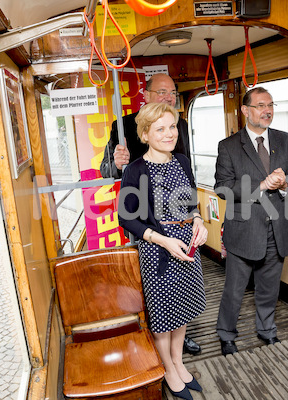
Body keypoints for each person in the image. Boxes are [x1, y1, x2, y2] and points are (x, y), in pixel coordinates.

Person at [100, 73, 201, 356]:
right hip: (151, 232)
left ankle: (178, 353)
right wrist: (115, 164)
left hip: (184, 235)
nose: (168, 96)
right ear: (145, 95)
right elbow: (108, 171)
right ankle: (162, 357)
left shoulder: (179, 134)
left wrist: (198, 219)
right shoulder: (122, 129)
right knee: (158, 303)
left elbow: (189, 191)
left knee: (182, 299)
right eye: (161, 91)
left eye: (172, 91)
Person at [118, 103, 208, 400]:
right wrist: (163, 240)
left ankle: (179, 362)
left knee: (181, 310)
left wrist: (199, 221)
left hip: (188, 247)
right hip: (158, 250)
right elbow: (127, 217)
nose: (169, 134)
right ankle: (168, 369)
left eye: (172, 127)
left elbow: (192, 201)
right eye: (160, 129)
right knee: (162, 315)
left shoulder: (181, 161)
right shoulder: (135, 170)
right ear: (145, 134)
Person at [214, 87, 288, 356]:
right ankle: (226, 334)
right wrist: (262, 185)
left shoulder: (287, 141)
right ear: (245, 110)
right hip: (244, 230)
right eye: (260, 105)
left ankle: (267, 330)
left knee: (269, 287)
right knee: (234, 290)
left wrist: (283, 183)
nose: (267, 110)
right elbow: (222, 188)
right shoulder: (229, 146)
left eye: (271, 105)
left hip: (278, 229)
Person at [100, 73, 190, 179]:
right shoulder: (124, 125)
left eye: (173, 93)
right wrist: (118, 165)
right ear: (147, 96)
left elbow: (187, 165)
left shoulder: (182, 124)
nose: (169, 98)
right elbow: (106, 170)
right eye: (162, 92)